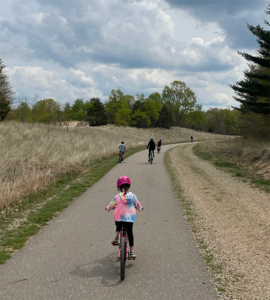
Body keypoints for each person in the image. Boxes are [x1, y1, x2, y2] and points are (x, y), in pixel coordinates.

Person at [106, 176, 142, 259]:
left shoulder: (116, 197)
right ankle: (132, 252)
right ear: (128, 187)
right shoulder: (132, 196)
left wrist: (107, 208)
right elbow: (137, 204)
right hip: (130, 220)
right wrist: (140, 208)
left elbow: (111, 205)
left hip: (119, 220)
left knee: (119, 222)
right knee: (130, 233)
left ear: (119, 187)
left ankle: (116, 236)